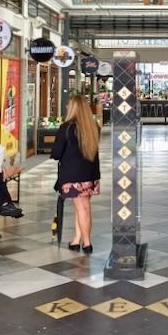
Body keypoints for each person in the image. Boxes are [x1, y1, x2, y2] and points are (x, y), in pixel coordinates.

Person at [51, 95, 101, 254]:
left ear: (73, 108)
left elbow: (57, 153)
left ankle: (87, 243)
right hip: (91, 174)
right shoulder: (93, 126)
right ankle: (76, 239)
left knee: (82, 208)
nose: (66, 108)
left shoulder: (66, 127)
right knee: (84, 207)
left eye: (68, 105)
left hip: (73, 175)